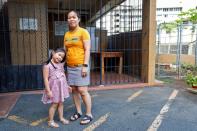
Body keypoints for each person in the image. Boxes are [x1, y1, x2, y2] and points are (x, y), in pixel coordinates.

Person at [64, 10, 93, 125]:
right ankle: (79, 112)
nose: (71, 19)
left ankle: (89, 114)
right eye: (69, 17)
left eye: (74, 17)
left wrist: (85, 65)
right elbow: (65, 51)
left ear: (78, 19)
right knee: (74, 90)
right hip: (70, 67)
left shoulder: (83, 32)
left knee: (82, 90)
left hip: (81, 66)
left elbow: (87, 49)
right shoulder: (67, 34)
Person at [41, 47, 70, 128]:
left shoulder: (60, 65)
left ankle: (61, 118)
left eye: (62, 57)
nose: (60, 58)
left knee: (61, 103)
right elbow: (46, 79)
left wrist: (67, 85)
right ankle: (50, 121)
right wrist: (48, 91)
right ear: (53, 53)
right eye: (59, 55)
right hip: (54, 89)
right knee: (54, 104)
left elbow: (63, 75)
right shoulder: (47, 66)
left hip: (61, 87)